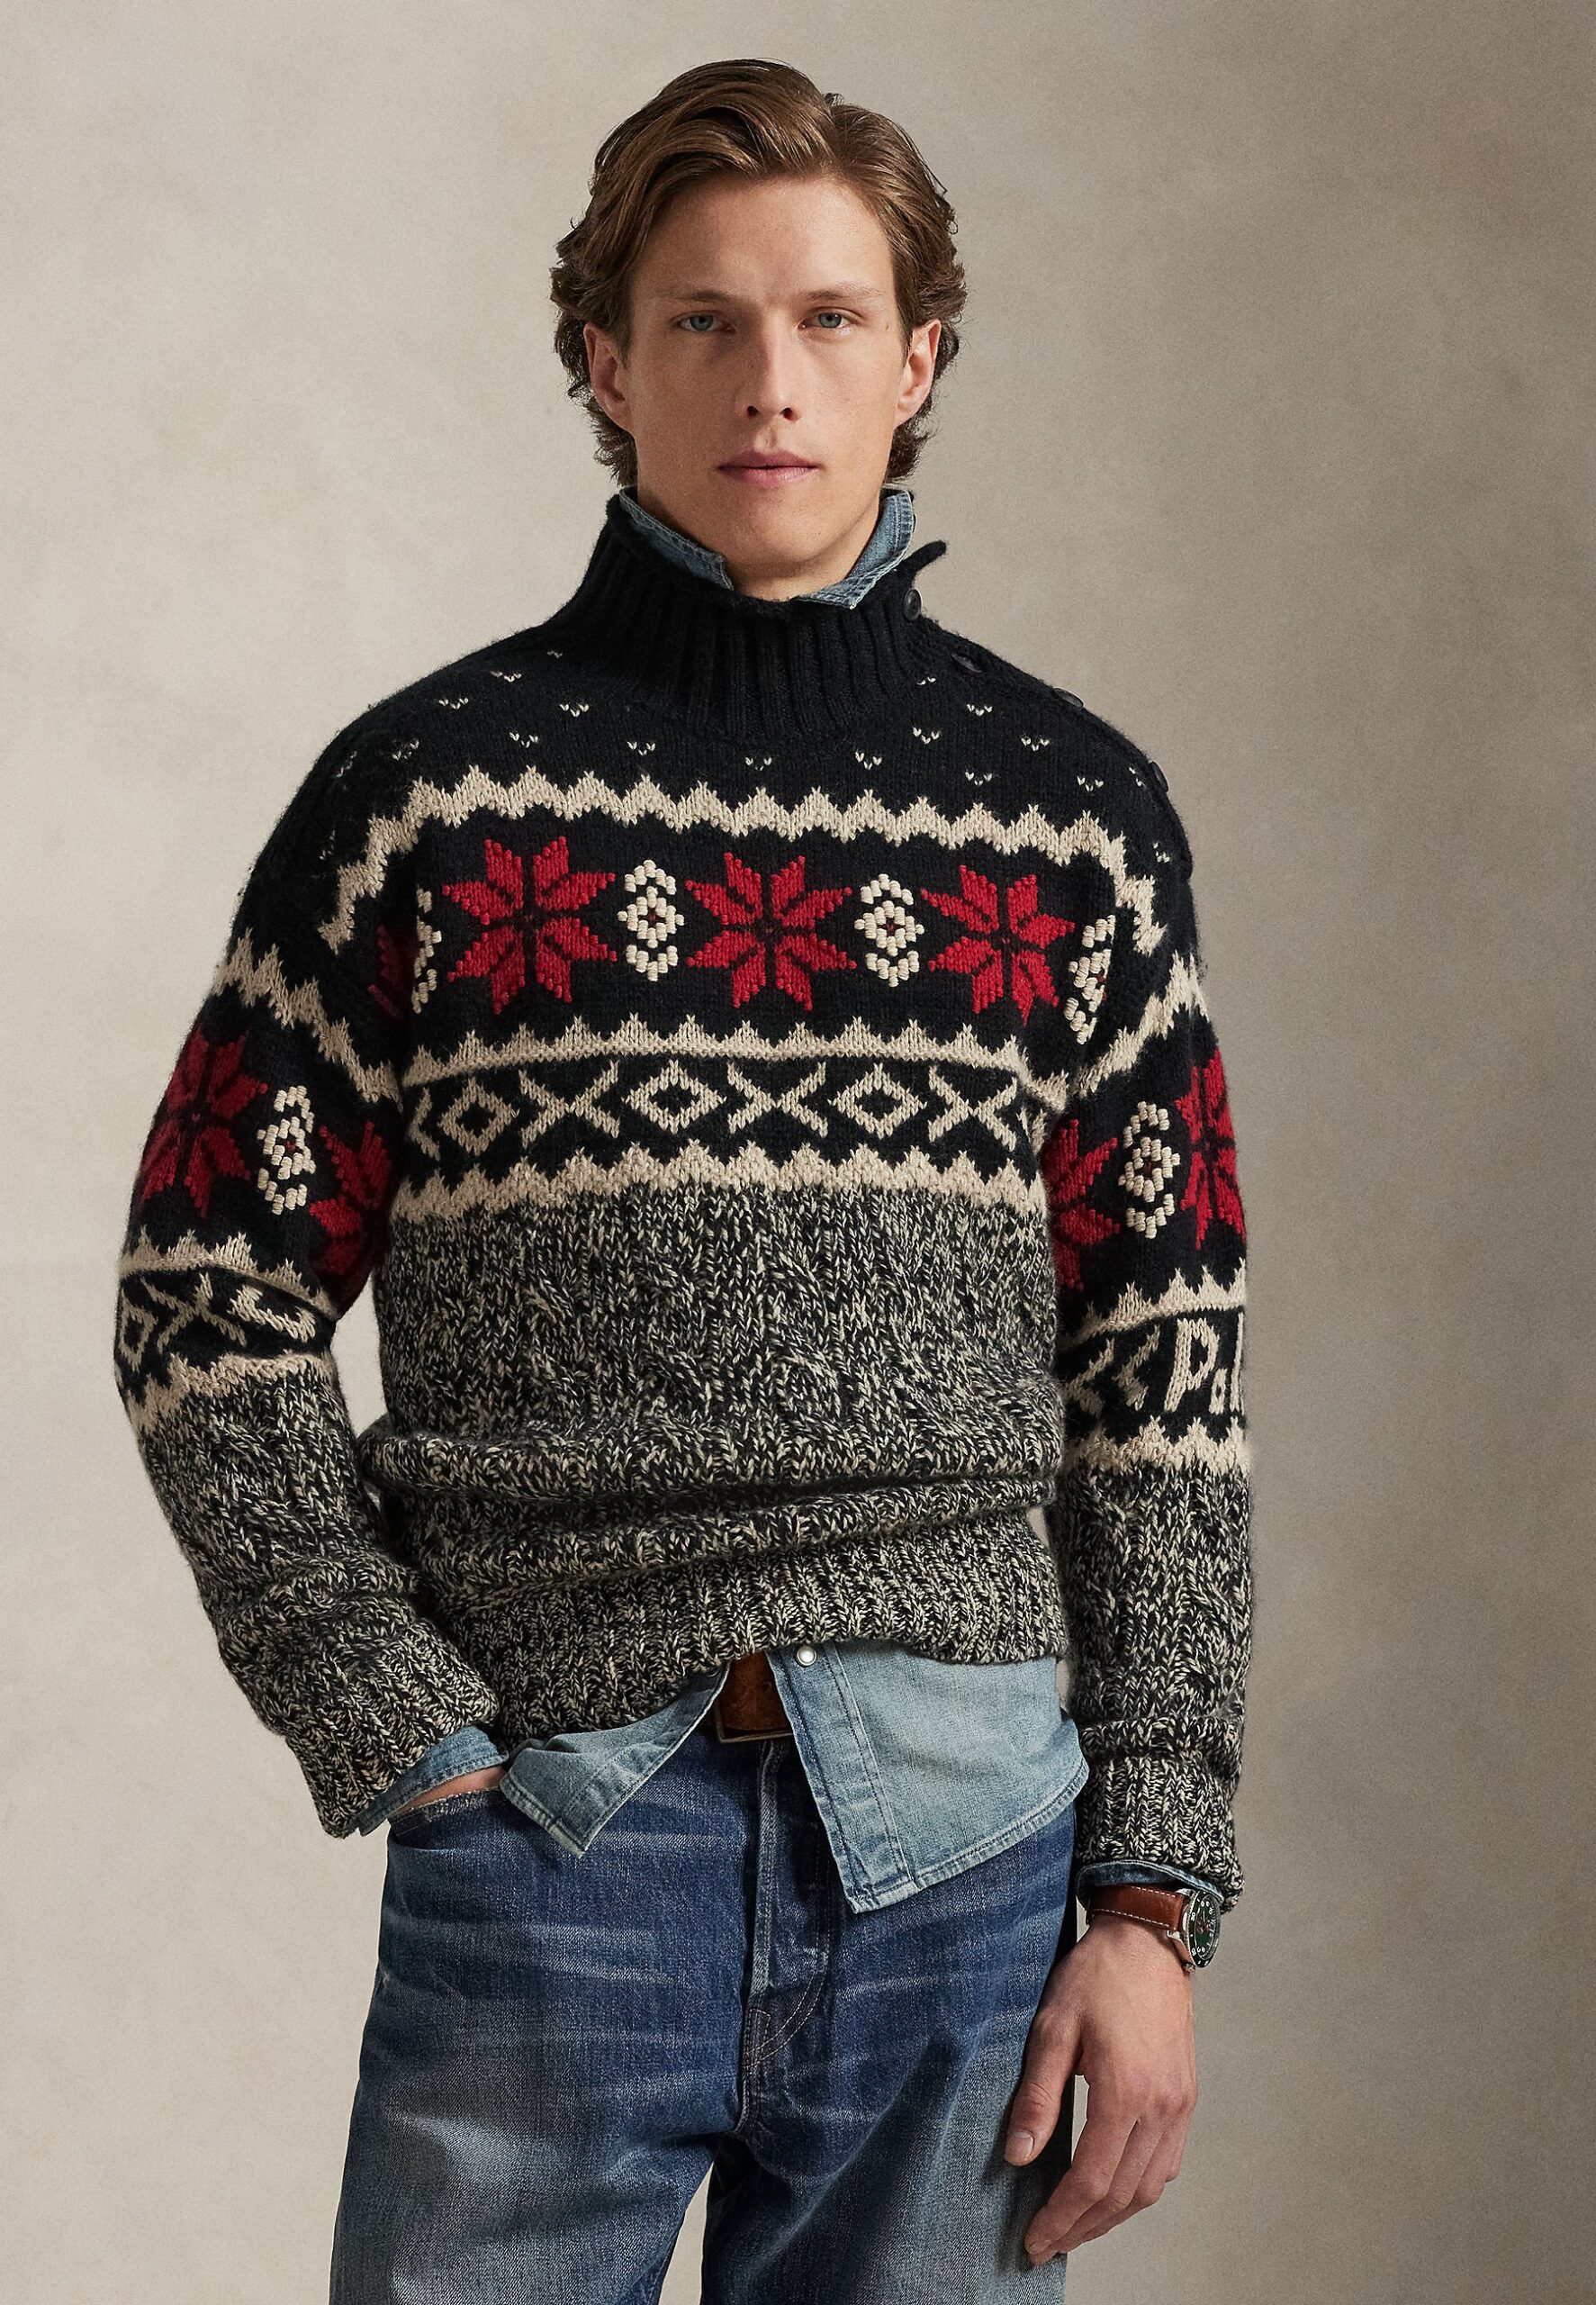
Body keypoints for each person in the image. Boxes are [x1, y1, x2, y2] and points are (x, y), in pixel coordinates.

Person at [111, 57, 1252, 2300]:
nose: (769, 382)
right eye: (704, 321)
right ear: (604, 363)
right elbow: (203, 1298)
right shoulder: (424, 803)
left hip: (965, 1856)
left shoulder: (1074, 820)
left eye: (829, 319)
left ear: (916, 360)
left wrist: (1148, 1896)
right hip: (552, 1830)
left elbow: (1164, 1383)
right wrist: (396, 1723)